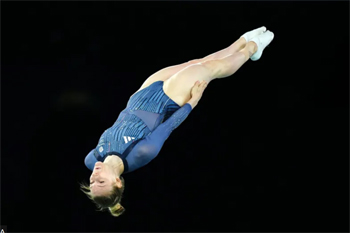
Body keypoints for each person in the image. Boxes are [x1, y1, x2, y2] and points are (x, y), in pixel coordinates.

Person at [80, 26, 274, 217]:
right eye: (102, 183)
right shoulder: (140, 154)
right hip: (168, 99)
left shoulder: (92, 159)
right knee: (210, 69)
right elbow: (168, 126)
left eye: (92, 183)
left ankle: (242, 40)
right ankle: (252, 49)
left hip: (139, 97)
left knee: (196, 62)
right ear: (118, 181)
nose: (94, 178)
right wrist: (193, 102)